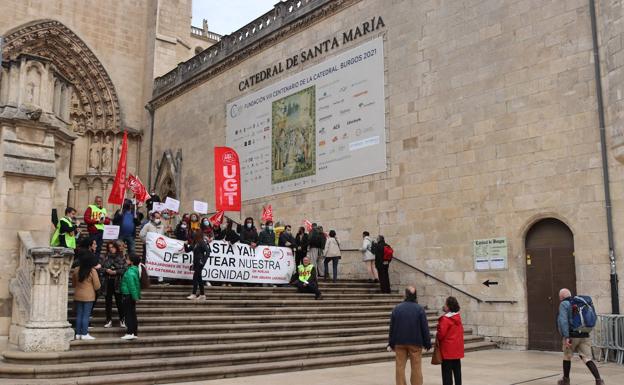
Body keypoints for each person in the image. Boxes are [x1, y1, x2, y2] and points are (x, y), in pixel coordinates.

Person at [557, 288, 604, 385]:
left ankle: (566, 380)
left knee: (567, 356)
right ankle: (599, 380)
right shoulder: (580, 302)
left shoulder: (564, 304)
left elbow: (563, 321)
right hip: (584, 334)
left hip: (572, 335)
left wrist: (566, 337)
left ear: (561, 297)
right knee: (587, 358)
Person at [388, 286, 431, 385]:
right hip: (415, 342)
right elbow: (424, 327)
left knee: (400, 367)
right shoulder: (419, 309)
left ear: (406, 295)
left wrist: (391, 343)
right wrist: (427, 343)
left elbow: (392, 327)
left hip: (399, 342)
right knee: (416, 367)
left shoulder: (397, 308)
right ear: (415, 295)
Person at [72, 248, 101, 340]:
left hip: (78, 294)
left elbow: (73, 283)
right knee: (86, 315)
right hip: (89, 296)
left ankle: (78, 333)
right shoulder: (92, 271)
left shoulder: (76, 269)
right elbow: (97, 286)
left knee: (79, 314)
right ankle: (84, 333)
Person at [437, 296, 464, 385]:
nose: (444, 306)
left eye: (445, 304)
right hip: (457, 351)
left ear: (449, 306)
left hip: (447, 352)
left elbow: (441, 335)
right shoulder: (458, 318)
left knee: (447, 376)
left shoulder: (445, 319)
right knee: (457, 374)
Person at [102, 241, 127, 328]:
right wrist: (106, 270)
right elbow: (101, 268)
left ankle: (122, 320)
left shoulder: (121, 258)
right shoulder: (106, 257)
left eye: (112, 247)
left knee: (119, 302)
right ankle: (108, 320)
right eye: (110, 247)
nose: (111, 249)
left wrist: (115, 271)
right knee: (108, 302)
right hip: (108, 282)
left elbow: (124, 269)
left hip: (117, 282)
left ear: (116, 248)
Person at [120, 254, 142, 340]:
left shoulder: (130, 272)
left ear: (131, 262)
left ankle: (130, 332)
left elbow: (132, 286)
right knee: (132, 314)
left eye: (128, 259)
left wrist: (135, 296)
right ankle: (134, 332)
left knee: (128, 314)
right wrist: (136, 296)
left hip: (127, 295)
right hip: (131, 296)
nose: (126, 260)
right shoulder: (135, 270)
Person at [185, 230, 211, 299]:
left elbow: (208, 252)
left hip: (200, 262)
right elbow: (187, 250)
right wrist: (185, 244)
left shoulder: (202, 242)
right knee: (199, 278)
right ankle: (202, 295)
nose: (194, 235)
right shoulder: (194, 243)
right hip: (196, 262)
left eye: (195, 234)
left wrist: (203, 260)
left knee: (195, 277)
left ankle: (194, 294)